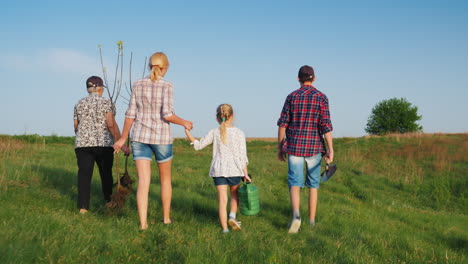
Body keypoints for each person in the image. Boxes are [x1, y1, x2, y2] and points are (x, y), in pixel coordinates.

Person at [113, 52, 193, 230]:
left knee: (143, 181)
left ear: (150, 66)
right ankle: (166, 219)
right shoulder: (167, 86)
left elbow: (130, 114)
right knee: (165, 180)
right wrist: (185, 122)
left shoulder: (137, 84)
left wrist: (123, 137)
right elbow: (168, 115)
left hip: (139, 137)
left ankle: (143, 224)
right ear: (165, 68)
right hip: (161, 138)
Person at [277, 65, 334, 234]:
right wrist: (330, 149)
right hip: (314, 147)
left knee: (294, 183)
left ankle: (296, 216)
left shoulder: (291, 97)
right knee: (313, 185)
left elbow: (282, 124)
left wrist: (280, 147)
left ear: (298, 79)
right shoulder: (321, 97)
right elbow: (326, 125)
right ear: (314, 78)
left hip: (294, 146)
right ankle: (311, 221)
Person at [184, 104, 252, 233]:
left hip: (218, 170)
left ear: (217, 118)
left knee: (222, 200)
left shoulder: (214, 132)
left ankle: (225, 229)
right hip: (235, 171)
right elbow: (243, 156)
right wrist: (246, 174)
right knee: (234, 195)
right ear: (232, 116)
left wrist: (187, 132)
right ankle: (232, 216)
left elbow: (198, 146)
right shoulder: (239, 133)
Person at [74, 76, 130, 214]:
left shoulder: (79, 103)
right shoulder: (107, 103)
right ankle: (109, 201)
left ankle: (83, 207)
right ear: (100, 88)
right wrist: (122, 144)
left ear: (88, 88)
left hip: (82, 144)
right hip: (103, 144)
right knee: (106, 174)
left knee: (84, 175)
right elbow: (111, 125)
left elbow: (76, 127)